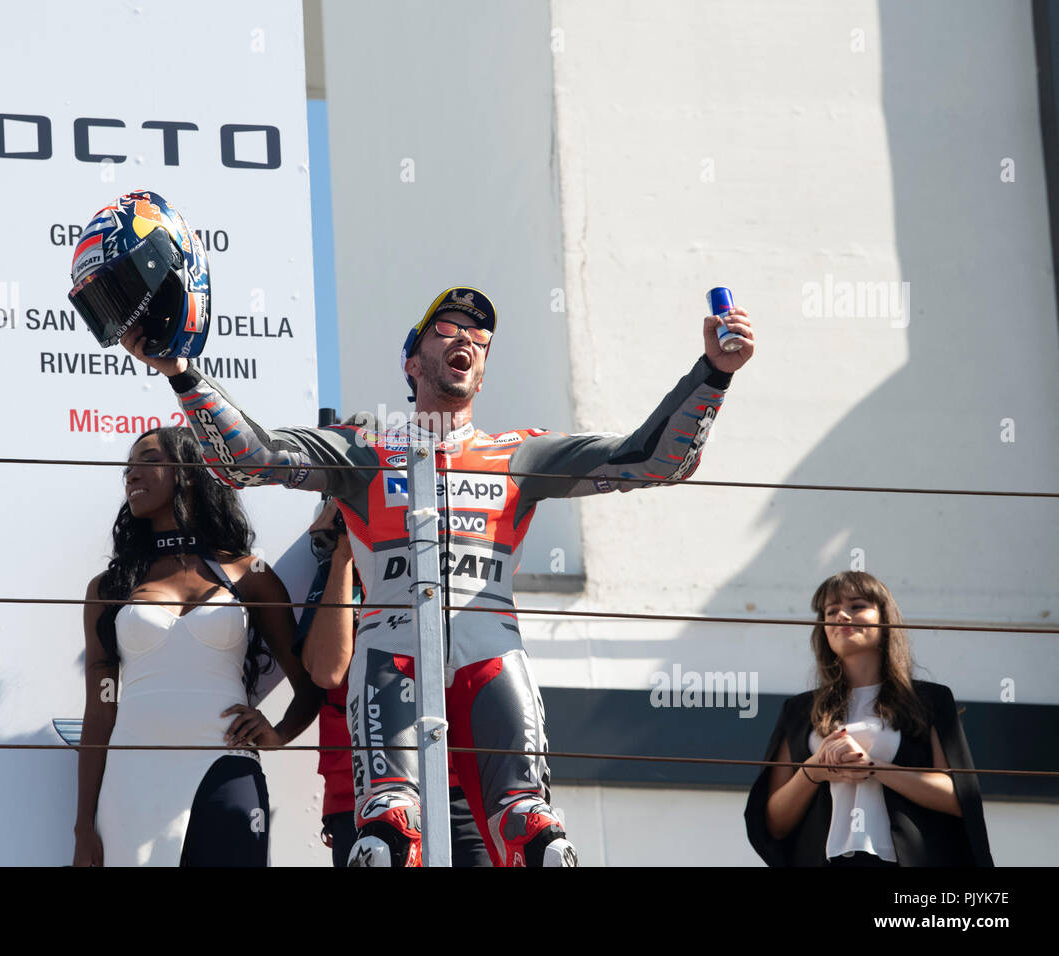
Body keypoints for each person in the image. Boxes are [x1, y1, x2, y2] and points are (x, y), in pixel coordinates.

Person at [114, 279, 753, 867]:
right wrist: (180, 369)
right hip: (391, 652)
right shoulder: (363, 449)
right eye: (447, 329)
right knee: (387, 832)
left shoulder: (519, 453)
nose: (467, 340)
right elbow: (251, 459)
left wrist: (714, 375)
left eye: (480, 337)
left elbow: (651, 462)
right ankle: (388, 828)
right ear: (412, 362)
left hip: (489, 654)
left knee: (536, 833)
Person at [72, 427, 323, 866]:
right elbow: (100, 711)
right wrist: (82, 827)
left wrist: (279, 734)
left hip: (227, 770)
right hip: (134, 782)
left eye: (148, 461)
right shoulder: (110, 587)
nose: (131, 474)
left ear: (188, 473)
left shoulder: (250, 573)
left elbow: (311, 681)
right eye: (128, 467)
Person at [744, 570, 994, 866]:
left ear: (885, 618)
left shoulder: (929, 700)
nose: (842, 616)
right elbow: (774, 824)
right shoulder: (798, 710)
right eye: (831, 610)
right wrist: (814, 768)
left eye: (857, 606)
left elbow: (957, 798)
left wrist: (872, 767)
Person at [299, 495, 491, 866]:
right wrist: (343, 556)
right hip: (364, 790)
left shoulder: (442, 574)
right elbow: (328, 671)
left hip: (454, 784)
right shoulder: (335, 578)